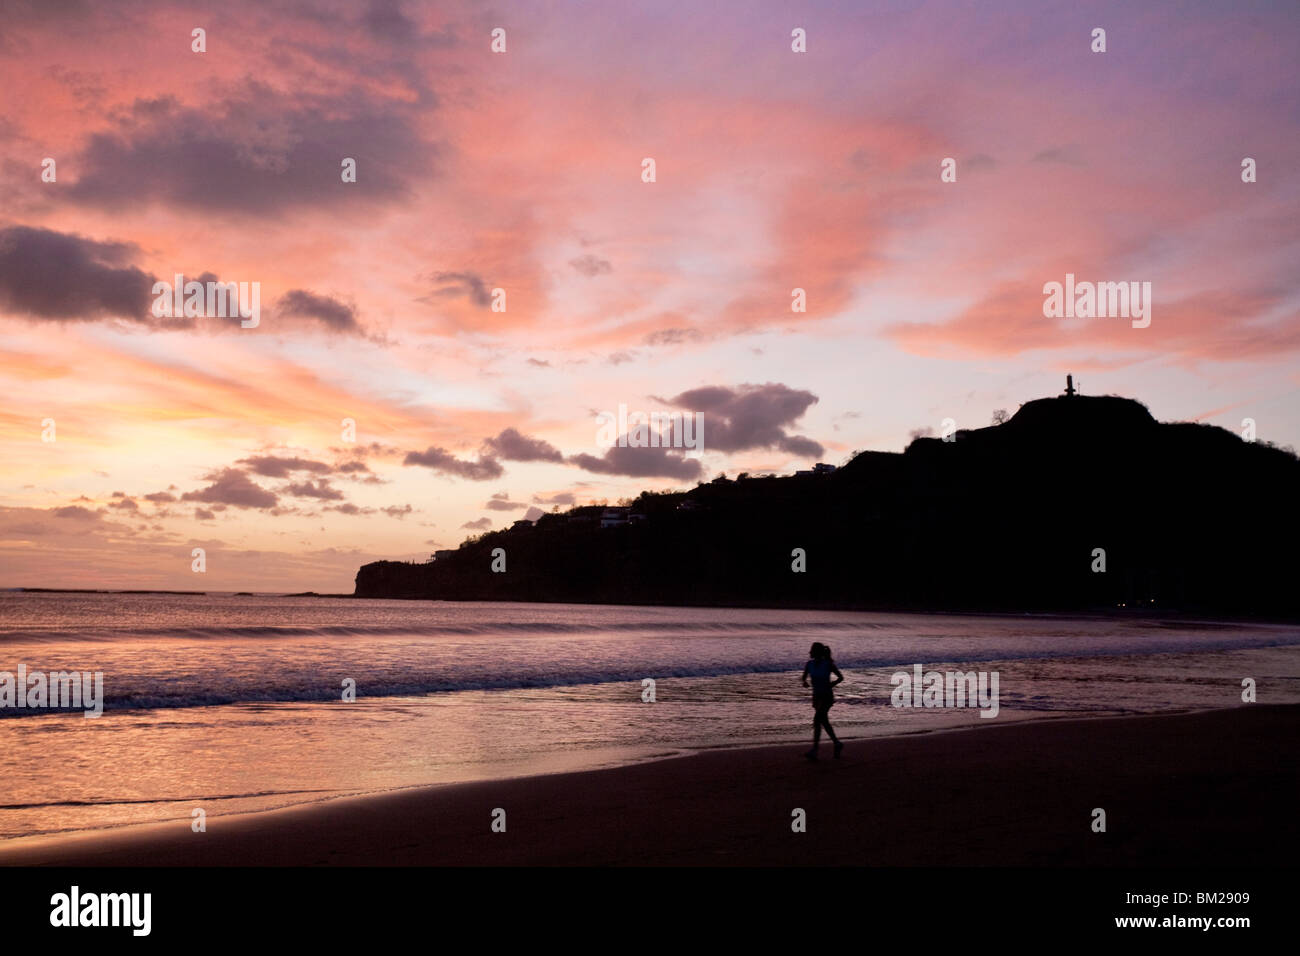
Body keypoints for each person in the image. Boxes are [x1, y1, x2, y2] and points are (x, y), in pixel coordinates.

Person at [801, 642, 844, 759]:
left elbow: (841, 677)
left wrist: (831, 684)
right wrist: (804, 682)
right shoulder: (809, 664)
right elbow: (804, 677)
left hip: (826, 696)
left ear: (817, 652)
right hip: (816, 697)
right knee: (823, 721)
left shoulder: (828, 664)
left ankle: (815, 750)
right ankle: (837, 743)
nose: (810, 652)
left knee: (817, 720)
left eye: (812, 650)